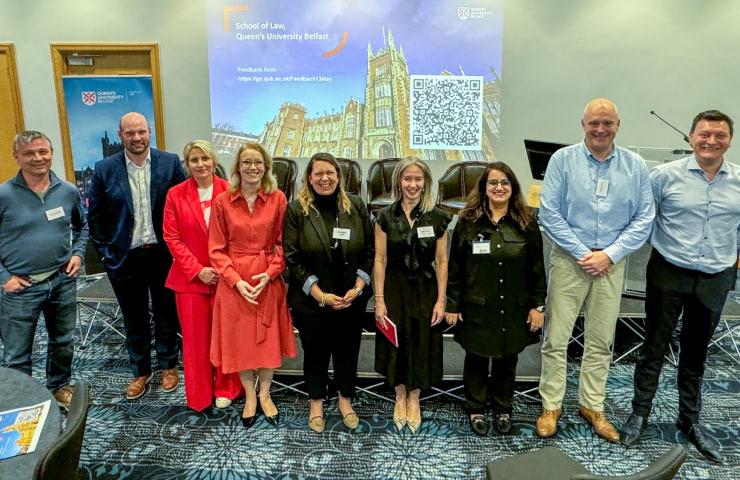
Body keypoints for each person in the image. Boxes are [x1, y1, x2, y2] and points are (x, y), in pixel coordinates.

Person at [620, 110, 740, 463]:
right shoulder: (663, 176)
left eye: (720, 135)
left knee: (696, 353)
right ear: (691, 138)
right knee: (653, 347)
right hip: (669, 272)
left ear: (729, 141)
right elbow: (642, 218)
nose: (711, 140)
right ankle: (639, 413)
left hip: (715, 277)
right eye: (704, 134)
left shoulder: (739, 181)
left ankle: (689, 420)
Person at [537, 98, 655, 442]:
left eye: (607, 123)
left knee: (601, 342)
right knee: (555, 339)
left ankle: (592, 405)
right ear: (582, 124)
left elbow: (644, 217)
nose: (600, 129)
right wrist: (582, 253)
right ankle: (551, 406)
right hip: (569, 262)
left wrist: (609, 255)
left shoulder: (635, 166)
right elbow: (549, 214)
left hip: (611, 266)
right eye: (594, 123)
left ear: (618, 125)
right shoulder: (563, 160)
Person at [88, 112, 185, 399]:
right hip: (124, 257)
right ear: (120, 135)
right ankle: (140, 371)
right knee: (134, 316)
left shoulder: (169, 163)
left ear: (150, 132)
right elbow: (96, 217)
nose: (137, 138)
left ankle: (168, 365)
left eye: (141, 131)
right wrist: (107, 255)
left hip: (163, 255)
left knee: (167, 312)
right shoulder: (105, 168)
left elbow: (183, 207)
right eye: (130, 133)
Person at [445, 162, 545, 436]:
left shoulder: (526, 222)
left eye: (505, 183)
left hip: (513, 305)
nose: (499, 187)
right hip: (477, 304)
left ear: (513, 188)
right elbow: (455, 267)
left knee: (507, 358)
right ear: (484, 188)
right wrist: (452, 304)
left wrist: (538, 306)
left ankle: (503, 407)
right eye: (493, 183)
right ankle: (475, 407)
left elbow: (537, 268)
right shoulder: (467, 221)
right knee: (476, 357)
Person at [283, 152, 374, 433]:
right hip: (312, 300)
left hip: (350, 298)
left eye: (329, 173)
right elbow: (292, 258)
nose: (324, 178)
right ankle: (317, 402)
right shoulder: (297, 209)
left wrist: (358, 289)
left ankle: (345, 400)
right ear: (309, 178)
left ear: (339, 176)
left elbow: (371, 251)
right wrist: (320, 294)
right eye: (318, 173)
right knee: (315, 353)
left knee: (348, 350)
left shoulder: (356, 205)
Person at [208, 142, 296, 429]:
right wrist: (235, 281)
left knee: (267, 342)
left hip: (266, 279)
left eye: (258, 162)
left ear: (266, 167)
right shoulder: (222, 201)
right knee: (241, 343)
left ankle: (266, 393)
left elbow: (285, 244)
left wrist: (270, 273)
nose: (253, 167)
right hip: (234, 282)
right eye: (247, 162)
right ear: (237, 167)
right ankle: (249, 395)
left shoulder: (278, 199)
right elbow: (216, 249)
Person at [0, 131, 88, 409]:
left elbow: (82, 226)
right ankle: (21, 402)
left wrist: (78, 254)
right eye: (29, 153)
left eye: (43, 151)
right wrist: (3, 278)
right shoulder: (3, 194)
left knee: (63, 340)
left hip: (61, 280)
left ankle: (59, 386)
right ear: (17, 157)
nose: (38, 158)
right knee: (17, 354)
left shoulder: (67, 191)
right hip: (20, 287)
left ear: (51, 153)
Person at [163, 140, 243, 411]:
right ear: (187, 165)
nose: (200, 164)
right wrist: (198, 270)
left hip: (226, 277)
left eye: (204, 159)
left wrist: (224, 269)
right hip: (190, 280)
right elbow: (172, 237)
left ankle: (227, 388)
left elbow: (240, 235)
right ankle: (199, 395)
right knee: (196, 342)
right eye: (194, 160)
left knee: (227, 337)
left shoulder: (230, 191)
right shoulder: (175, 194)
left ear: (214, 161)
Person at [373, 157, 450, 433]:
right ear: (399, 182)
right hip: (393, 288)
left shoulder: (438, 217)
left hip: (424, 289)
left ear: (425, 183)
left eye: (418, 179)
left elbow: (442, 262)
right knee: (396, 341)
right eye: (407, 179)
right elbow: (379, 260)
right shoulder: (384, 216)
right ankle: (399, 394)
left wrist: (442, 300)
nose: (413, 184)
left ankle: (414, 397)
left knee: (420, 340)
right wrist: (379, 300)